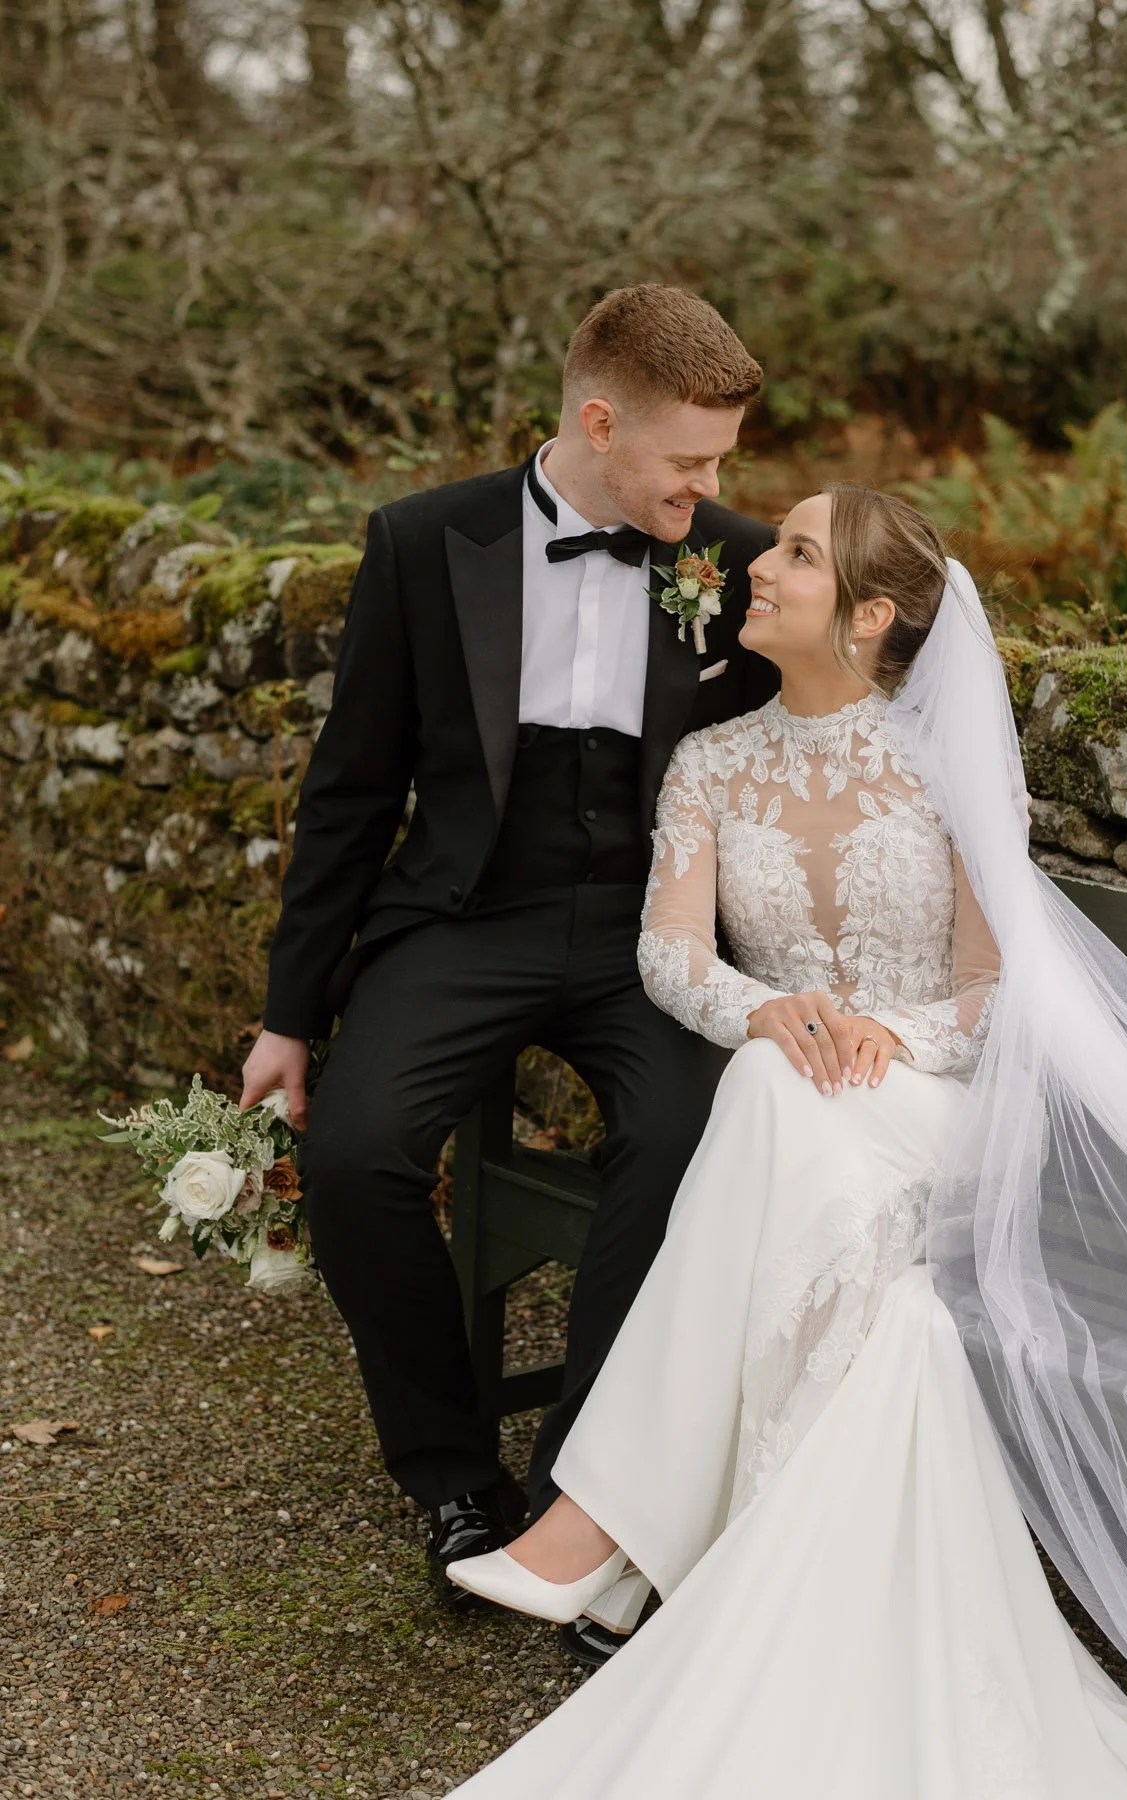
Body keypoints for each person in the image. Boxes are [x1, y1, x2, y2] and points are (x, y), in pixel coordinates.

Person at [442, 485, 1127, 1797]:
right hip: (803, 1117)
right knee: (772, 1095)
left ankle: (602, 1529)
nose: (758, 566)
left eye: (794, 554)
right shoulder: (710, 762)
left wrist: (885, 1036)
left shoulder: (941, 768)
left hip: (941, 1120)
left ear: (869, 615)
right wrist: (773, 1010)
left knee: (769, 1098)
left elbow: (994, 993)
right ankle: (647, 1550)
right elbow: (667, 953)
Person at [238, 285, 778, 1651]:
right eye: (689, 461)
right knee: (357, 1153)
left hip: (653, 930)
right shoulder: (425, 542)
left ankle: (579, 1501)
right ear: (596, 422)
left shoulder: (737, 558)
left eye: (721, 462)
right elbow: (352, 787)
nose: (712, 488)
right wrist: (290, 1014)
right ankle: (450, 1479)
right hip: (464, 915)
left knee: (680, 1147)